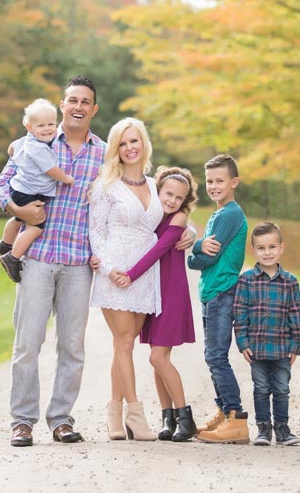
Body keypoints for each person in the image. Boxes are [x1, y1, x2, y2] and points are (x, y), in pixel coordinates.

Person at [0, 76, 105, 447]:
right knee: (28, 343)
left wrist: (180, 224)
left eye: (85, 101)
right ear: (62, 105)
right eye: (72, 100)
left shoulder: (104, 154)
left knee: (72, 347)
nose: (78, 106)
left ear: (93, 109)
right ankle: (22, 421)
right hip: (38, 259)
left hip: (77, 263)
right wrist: (17, 209)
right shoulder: (36, 140)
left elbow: (128, 196)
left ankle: (61, 420)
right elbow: (2, 185)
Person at [110, 166, 199, 442]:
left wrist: (130, 275)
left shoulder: (179, 217)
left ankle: (185, 417)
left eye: (179, 198)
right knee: (158, 360)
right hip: (151, 294)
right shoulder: (150, 213)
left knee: (158, 357)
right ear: (157, 191)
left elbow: (158, 249)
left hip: (171, 293)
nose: (172, 201)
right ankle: (167, 418)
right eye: (168, 194)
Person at [88, 117, 163, 442]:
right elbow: (96, 231)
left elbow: (169, 221)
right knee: (125, 341)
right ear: (115, 149)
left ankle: (113, 413)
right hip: (116, 272)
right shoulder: (106, 186)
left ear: (143, 143)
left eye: (134, 140)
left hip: (144, 275)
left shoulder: (156, 185)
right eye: (123, 143)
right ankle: (135, 414)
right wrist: (106, 268)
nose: (130, 147)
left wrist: (188, 231)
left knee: (126, 341)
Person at [187, 153, 249, 444]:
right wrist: (199, 247)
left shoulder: (230, 214)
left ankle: (236, 418)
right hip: (211, 292)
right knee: (212, 356)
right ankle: (224, 412)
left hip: (223, 292)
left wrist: (195, 250)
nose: (213, 186)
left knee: (216, 356)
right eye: (210, 181)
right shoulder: (217, 214)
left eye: (220, 181)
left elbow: (205, 259)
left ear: (234, 182)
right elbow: (202, 253)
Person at [234, 221, 300, 446]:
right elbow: (240, 314)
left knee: (282, 389)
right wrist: (242, 342)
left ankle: (282, 431)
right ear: (254, 250)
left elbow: (296, 315)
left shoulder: (290, 282)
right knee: (261, 389)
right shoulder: (246, 280)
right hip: (257, 348)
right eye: (261, 248)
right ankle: (263, 430)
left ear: (281, 248)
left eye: (272, 247)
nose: (267, 253)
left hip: (282, 347)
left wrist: (296, 346)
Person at [0, 98, 75, 283]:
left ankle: (4, 244)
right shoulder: (38, 149)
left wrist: (14, 151)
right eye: (41, 125)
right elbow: (51, 170)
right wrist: (65, 178)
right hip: (29, 193)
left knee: (19, 218)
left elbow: (11, 147)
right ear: (29, 127)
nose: (47, 129)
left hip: (20, 189)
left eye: (51, 124)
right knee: (35, 227)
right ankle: (12, 258)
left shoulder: (25, 141)